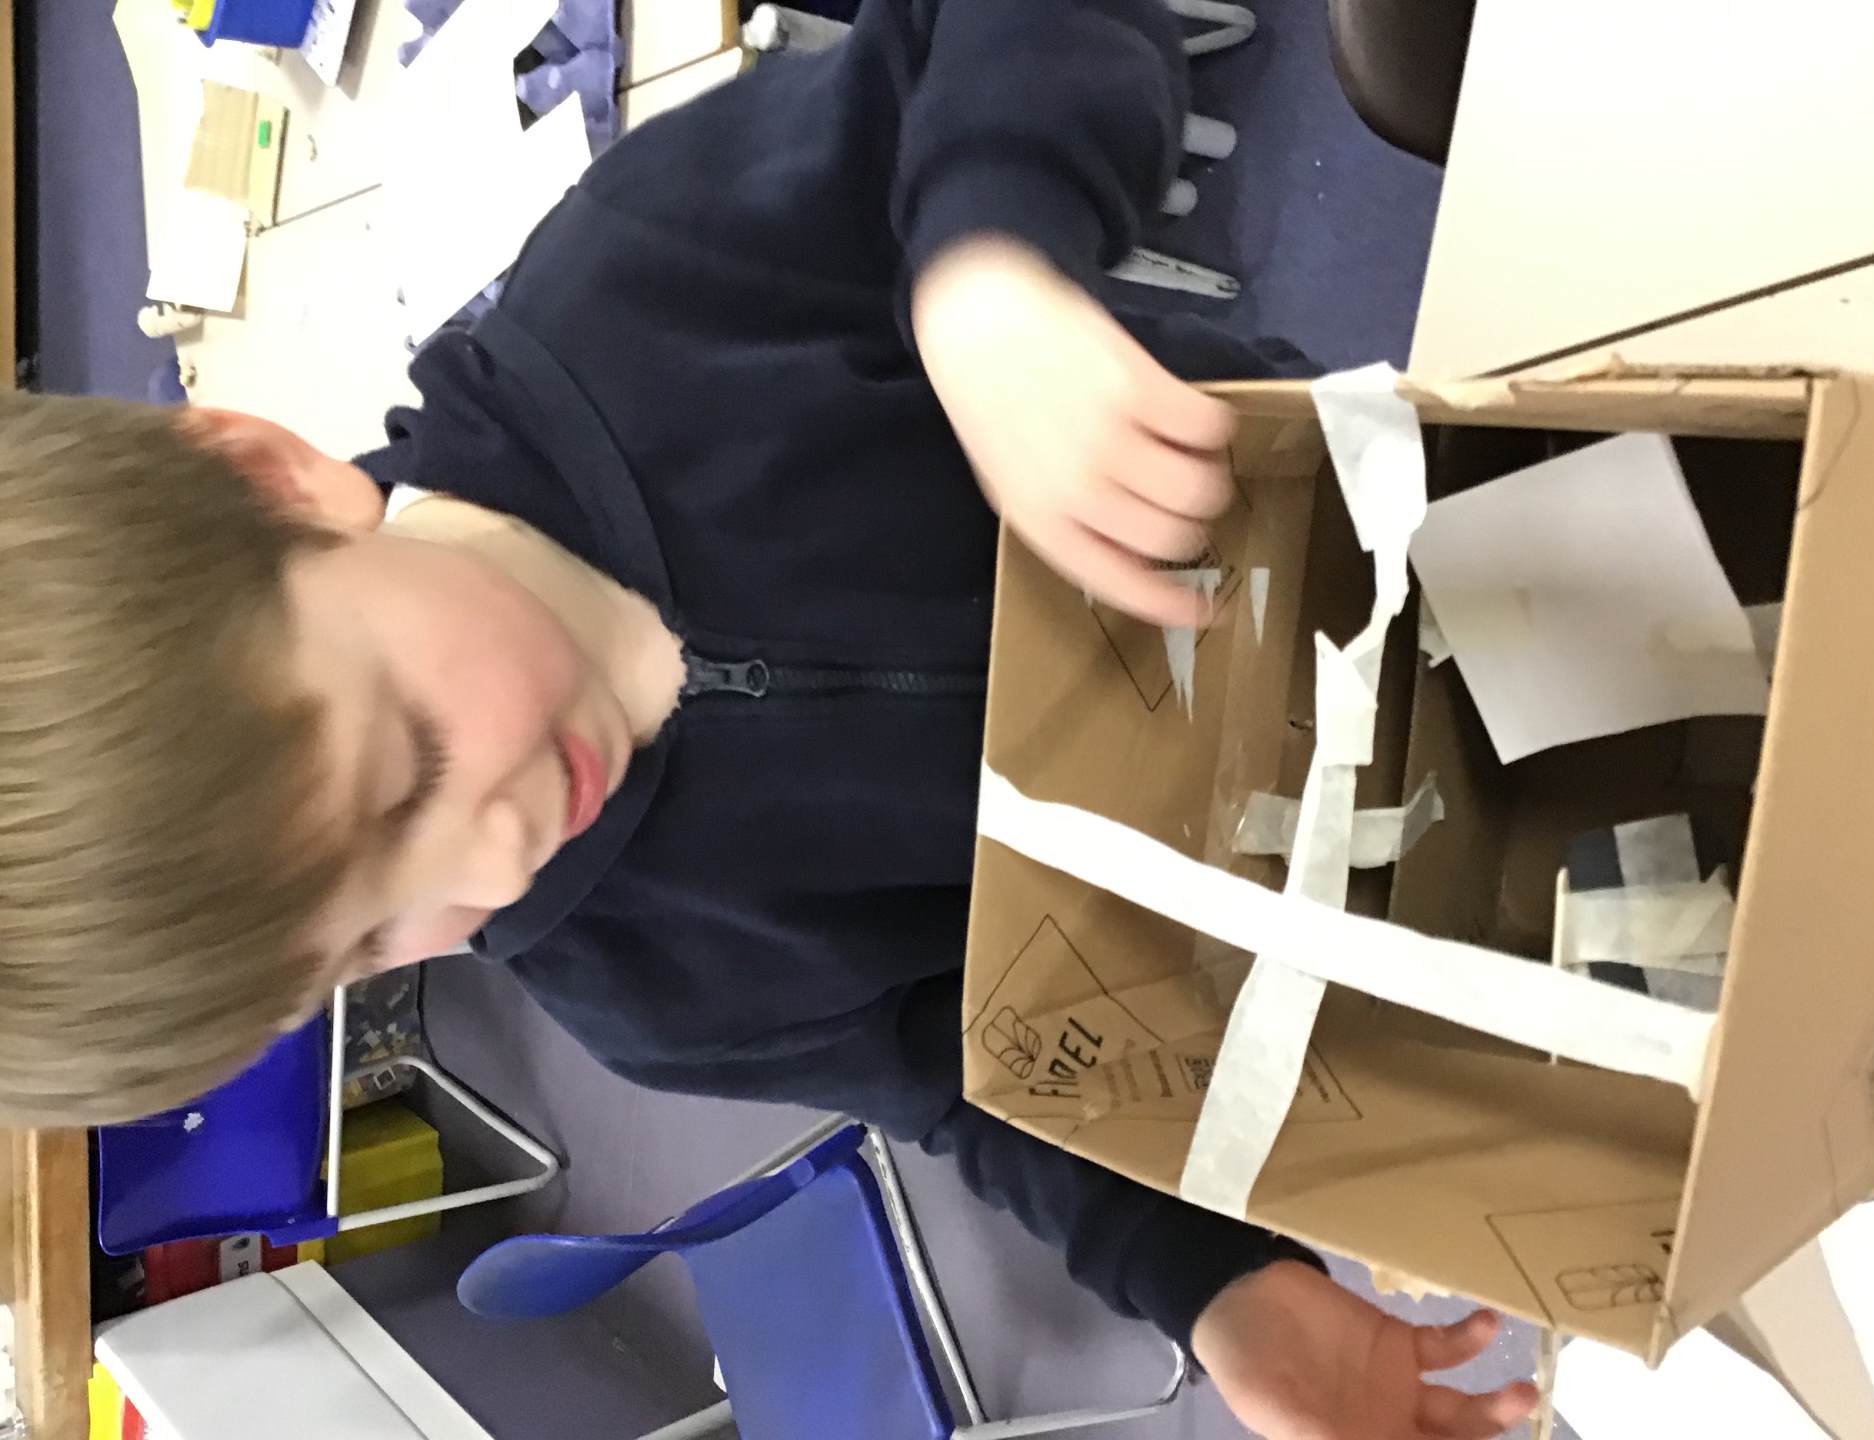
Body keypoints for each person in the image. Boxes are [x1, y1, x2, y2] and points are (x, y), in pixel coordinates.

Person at [0, 2, 1536, 1434]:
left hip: (1476, 545)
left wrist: (989, 263)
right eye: (370, 945)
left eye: (407, 770)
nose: (492, 858)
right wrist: (1218, 1288)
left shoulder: (644, 296)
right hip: (1425, 898)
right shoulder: (646, 990)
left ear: (272, 482)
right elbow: (987, 1074)